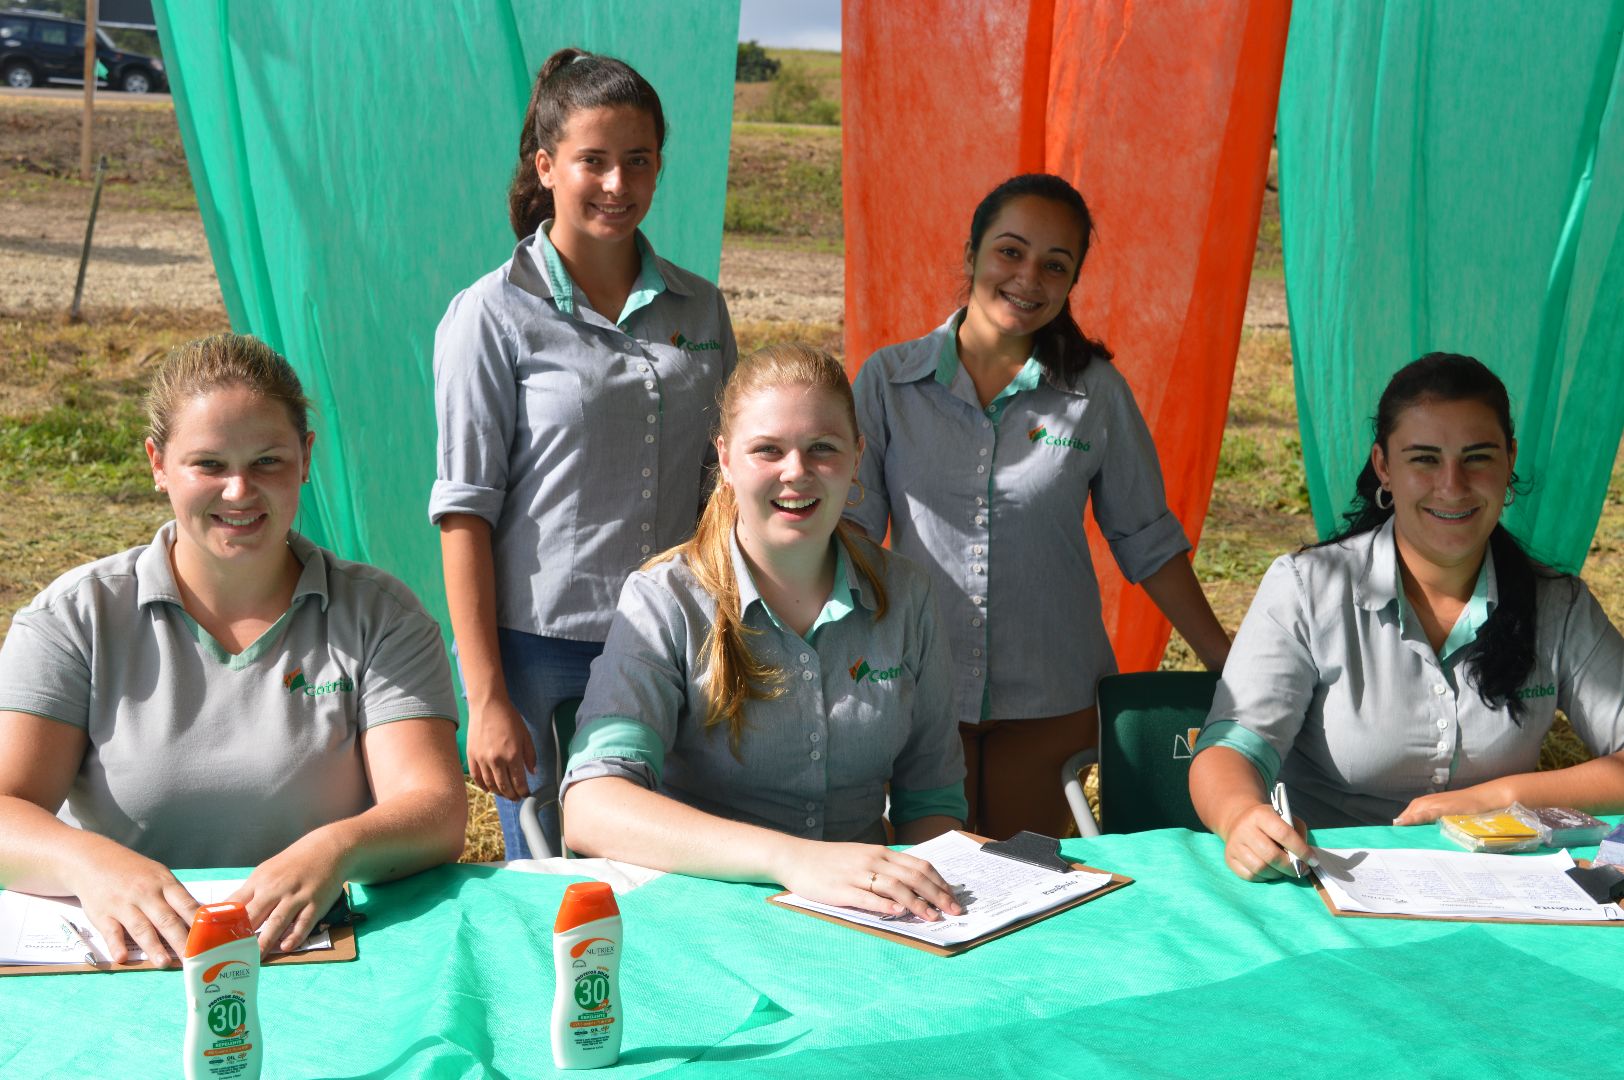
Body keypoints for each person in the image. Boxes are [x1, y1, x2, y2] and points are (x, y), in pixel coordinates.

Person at [0, 333, 465, 965]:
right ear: (158, 464)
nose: (240, 491)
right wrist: (89, 863)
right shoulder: (75, 618)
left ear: (306, 458)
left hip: (314, 956)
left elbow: (434, 808)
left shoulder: (381, 617)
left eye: (267, 461)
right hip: (130, 962)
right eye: (209, 464)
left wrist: (336, 850)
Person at [849, 173, 1231, 839]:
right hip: (920, 686)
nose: (1028, 279)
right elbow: (850, 535)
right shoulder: (889, 381)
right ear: (971, 254)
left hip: (1052, 695)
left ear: (1072, 281)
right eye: (1010, 252)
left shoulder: (1095, 394)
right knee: (930, 880)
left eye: (1055, 265)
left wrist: (1228, 666)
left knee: (1030, 879)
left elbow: (1146, 540)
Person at [431, 48, 736, 859]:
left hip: (678, 637)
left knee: (674, 865)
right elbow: (464, 513)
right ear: (546, 165)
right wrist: (486, 697)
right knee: (559, 880)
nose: (616, 184)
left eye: (638, 161)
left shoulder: (700, 308)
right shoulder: (491, 315)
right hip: (543, 652)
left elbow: (722, 483)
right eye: (592, 160)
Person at [561, 344, 967, 920]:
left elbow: (931, 801)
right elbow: (591, 806)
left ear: (857, 457)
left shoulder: (907, 596)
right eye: (768, 450)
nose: (796, 471)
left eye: (822, 448)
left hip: (871, 923)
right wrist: (793, 860)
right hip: (706, 918)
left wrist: (929, 916)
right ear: (725, 460)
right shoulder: (665, 599)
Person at [1190, 353, 1624, 881]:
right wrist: (1240, 816)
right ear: (1384, 467)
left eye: (1477, 457)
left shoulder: (1558, 605)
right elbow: (1230, 749)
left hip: (1502, 891)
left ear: (1510, 459)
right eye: (1424, 459)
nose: (1452, 485)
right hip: (1322, 887)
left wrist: (1501, 796)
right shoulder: (1306, 589)